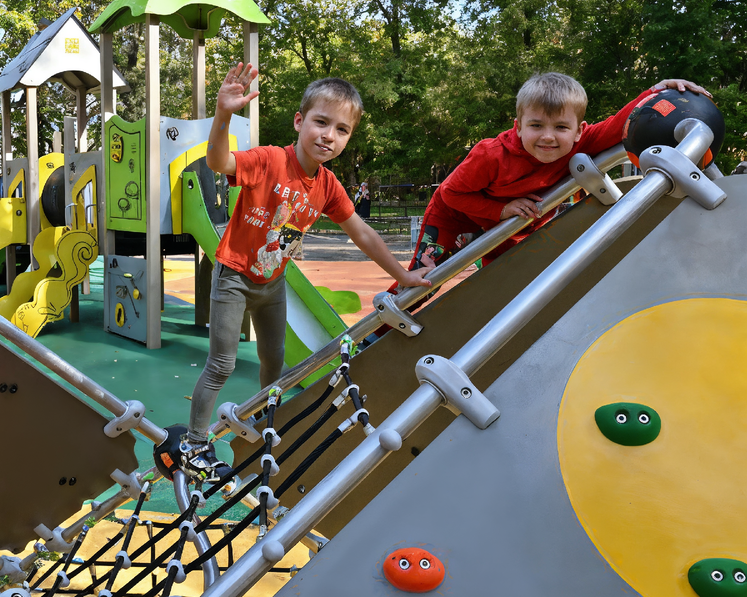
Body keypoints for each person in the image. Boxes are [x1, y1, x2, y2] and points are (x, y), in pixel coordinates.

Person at [181, 64, 432, 481]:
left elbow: (362, 233)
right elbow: (218, 160)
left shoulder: (328, 186)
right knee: (222, 363)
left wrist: (403, 276)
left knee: (274, 362)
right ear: (299, 122)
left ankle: (263, 422)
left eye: (341, 130)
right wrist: (223, 114)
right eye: (321, 122)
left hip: (273, 283)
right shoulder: (269, 160)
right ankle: (193, 444)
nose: (328, 135)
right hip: (234, 277)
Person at [403, 73, 710, 279]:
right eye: (536, 125)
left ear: (578, 131)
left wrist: (658, 92)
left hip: (510, 221)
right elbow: (451, 193)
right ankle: (380, 334)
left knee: (506, 279)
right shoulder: (491, 155)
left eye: (561, 127)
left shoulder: (583, 142)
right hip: (457, 213)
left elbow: (621, 122)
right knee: (425, 278)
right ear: (518, 127)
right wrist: (501, 209)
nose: (548, 137)